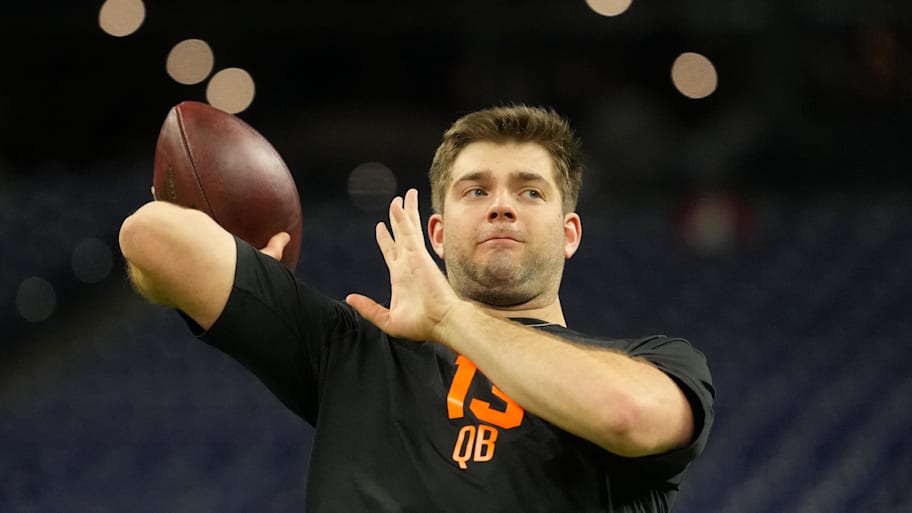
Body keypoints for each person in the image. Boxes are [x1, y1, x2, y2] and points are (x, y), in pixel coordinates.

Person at [119, 105, 715, 512]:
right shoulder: (353, 352)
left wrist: (449, 319)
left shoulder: (654, 361)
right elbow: (152, 236)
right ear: (436, 231)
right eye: (475, 190)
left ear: (569, 233)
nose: (501, 206)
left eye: (530, 191)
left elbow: (626, 415)